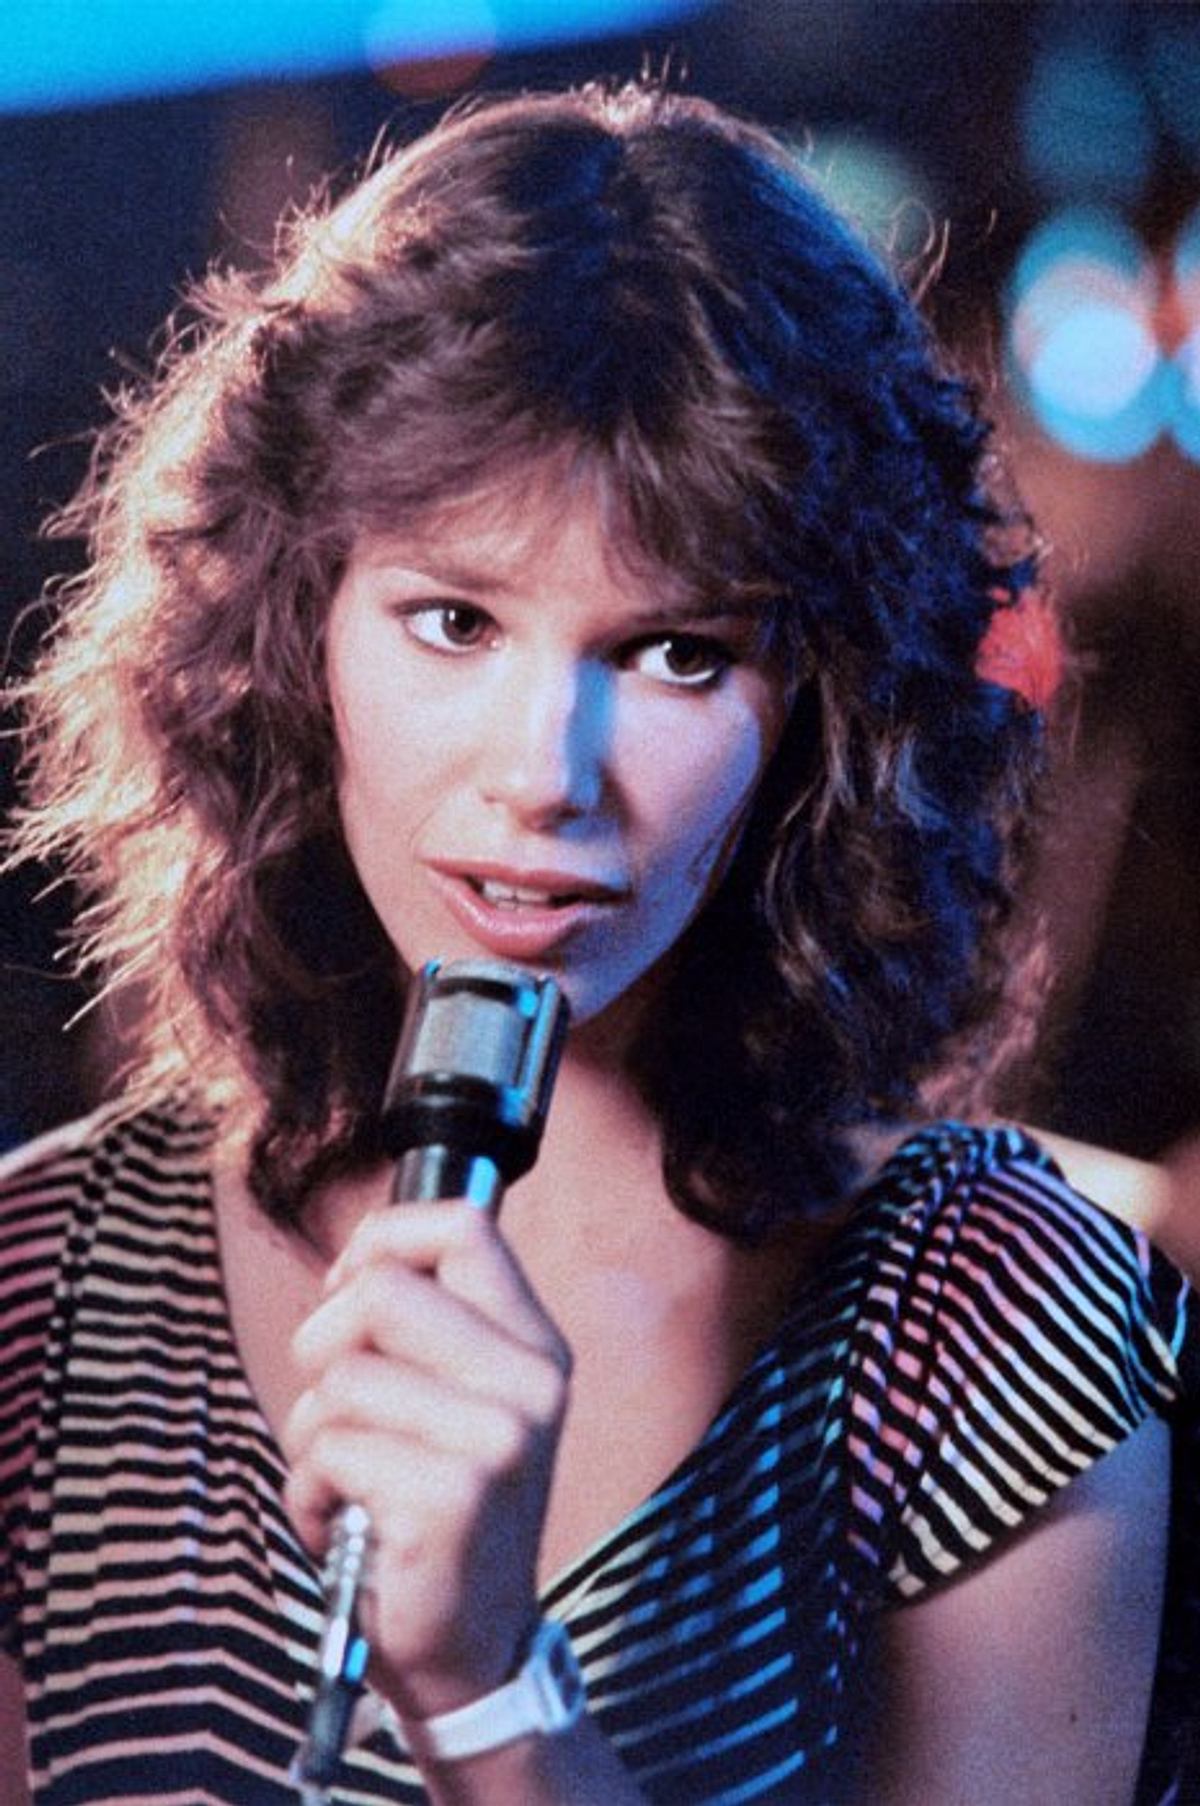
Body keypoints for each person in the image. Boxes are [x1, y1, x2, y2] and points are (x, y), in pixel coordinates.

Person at [0, 78, 1196, 1806]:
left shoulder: (994, 1316)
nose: (545, 775)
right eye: (454, 620)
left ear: (826, 709)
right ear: (291, 636)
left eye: (676, 654)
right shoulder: (37, 1289)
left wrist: (492, 1690)